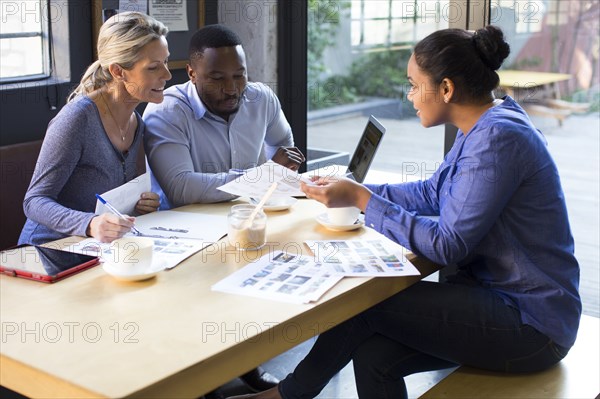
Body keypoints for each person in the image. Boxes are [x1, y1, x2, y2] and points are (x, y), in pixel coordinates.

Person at [229, 26, 581, 399]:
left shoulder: (496, 140)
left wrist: (363, 200)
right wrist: (351, 192)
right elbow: (433, 192)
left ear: (446, 89)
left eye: (413, 85)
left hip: (531, 326)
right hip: (498, 301)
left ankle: (285, 396)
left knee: (364, 303)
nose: (409, 95)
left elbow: (447, 246)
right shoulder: (484, 124)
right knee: (373, 355)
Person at [18, 12, 170, 245]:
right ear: (118, 71)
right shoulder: (77, 119)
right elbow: (35, 201)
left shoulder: (136, 122)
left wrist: (138, 204)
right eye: (153, 68)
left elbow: (104, 199)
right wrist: (89, 224)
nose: (167, 75)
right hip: (47, 250)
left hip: (95, 249)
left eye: (166, 62)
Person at [143, 24, 305, 208]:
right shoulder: (167, 111)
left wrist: (276, 174)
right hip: (187, 227)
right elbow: (181, 188)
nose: (230, 89)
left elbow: (281, 142)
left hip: (251, 214)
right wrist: (262, 176)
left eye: (239, 75)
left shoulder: (262, 99)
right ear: (192, 73)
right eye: (217, 78)